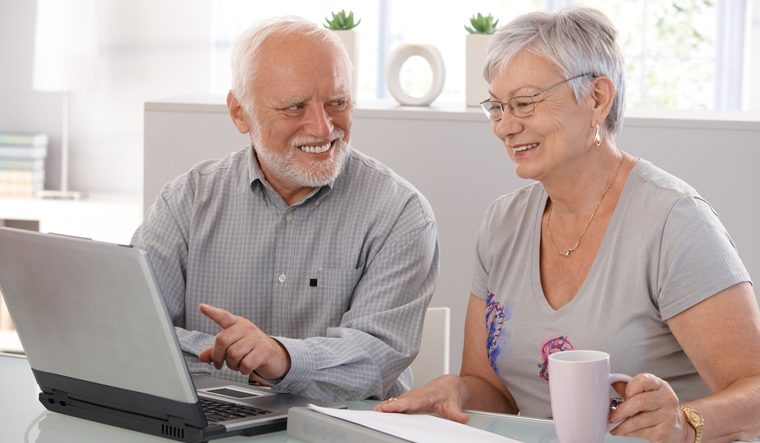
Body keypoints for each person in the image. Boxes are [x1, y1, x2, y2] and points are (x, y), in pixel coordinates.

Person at [373, 6, 760, 443]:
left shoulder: (674, 220)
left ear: (597, 98)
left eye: (523, 103)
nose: (504, 126)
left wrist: (684, 423)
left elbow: (755, 391)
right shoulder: (503, 223)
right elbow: (495, 392)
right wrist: (458, 389)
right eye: (497, 107)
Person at [131, 16, 439, 402]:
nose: (323, 127)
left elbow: (374, 360)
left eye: (337, 103)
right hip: (208, 422)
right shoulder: (185, 202)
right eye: (295, 107)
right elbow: (134, 330)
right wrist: (253, 366)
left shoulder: (401, 214)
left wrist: (283, 359)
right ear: (240, 113)